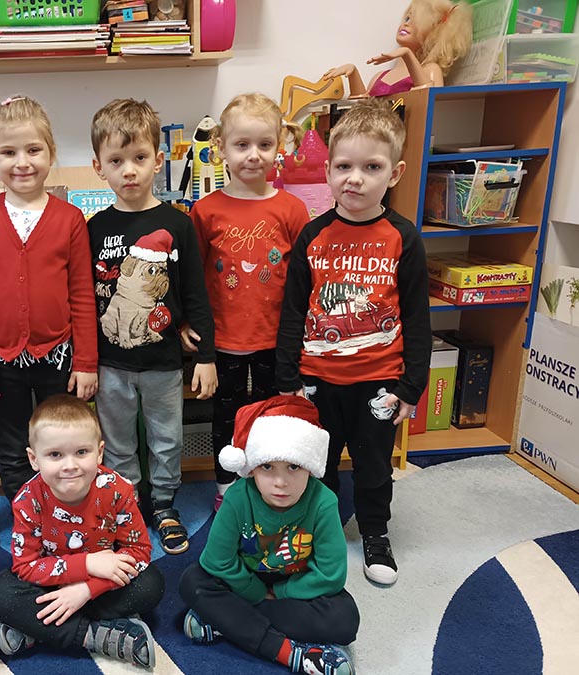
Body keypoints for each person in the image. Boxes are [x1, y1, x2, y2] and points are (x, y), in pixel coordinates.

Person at [275, 98, 431, 586]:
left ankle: (375, 531)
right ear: (328, 171)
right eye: (343, 166)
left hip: (378, 383)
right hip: (317, 381)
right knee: (316, 464)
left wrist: (412, 386)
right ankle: (316, 530)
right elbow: (293, 310)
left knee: (373, 465)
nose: (355, 179)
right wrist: (287, 378)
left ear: (395, 173)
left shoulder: (404, 238)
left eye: (372, 167)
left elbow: (417, 317)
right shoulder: (313, 236)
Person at [88, 98, 217, 555]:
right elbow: (83, 298)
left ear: (158, 161)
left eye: (139, 158)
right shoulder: (94, 228)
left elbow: (194, 292)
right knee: (117, 442)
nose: (129, 170)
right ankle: (126, 507)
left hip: (163, 362)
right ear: (99, 167)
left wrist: (205, 355)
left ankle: (163, 505)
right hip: (110, 363)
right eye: (116, 161)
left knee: (167, 439)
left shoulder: (178, 225)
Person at [0, 95, 98, 501]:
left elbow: (82, 294)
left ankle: (66, 509)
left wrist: (86, 363)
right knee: (12, 441)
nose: (22, 162)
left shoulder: (70, 219)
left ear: (51, 153)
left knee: (64, 438)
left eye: (33, 150)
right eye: (9, 152)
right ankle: (26, 517)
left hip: (59, 355)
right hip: (2, 358)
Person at [189, 92, 310, 512]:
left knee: (271, 418)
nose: (253, 155)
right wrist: (189, 324)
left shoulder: (292, 209)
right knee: (225, 417)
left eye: (264, 144)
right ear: (220, 148)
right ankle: (226, 488)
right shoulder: (205, 211)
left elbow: (304, 279)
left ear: (280, 147)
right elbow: (193, 278)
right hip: (222, 341)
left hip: (275, 341)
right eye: (242, 145)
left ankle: (268, 485)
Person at [179, 395, 359, 675]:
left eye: (293, 466)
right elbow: (218, 561)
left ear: (310, 467)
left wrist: (281, 591)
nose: (280, 482)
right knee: (192, 581)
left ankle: (225, 621)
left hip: (295, 585)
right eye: (267, 466)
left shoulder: (324, 502)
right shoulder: (237, 497)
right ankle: (286, 651)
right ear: (251, 467)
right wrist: (255, 591)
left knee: (345, 619)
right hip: (244, 579)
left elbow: (330, 575)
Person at [0, 395, 164, 670]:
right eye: (55, 455)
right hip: (51, 581)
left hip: (103, 579)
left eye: (81, 452)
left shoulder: (118, 489)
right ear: (34, 459)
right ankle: (95, 635)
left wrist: (87, 589)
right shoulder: (27, 500)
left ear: (99, 452)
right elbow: (25, 566)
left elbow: (139, 552)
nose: (70, 465)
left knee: (151, 584)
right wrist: (87, 564)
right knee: (0, 593)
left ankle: (38, 628)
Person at [323, 0, 473, 97]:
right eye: (407, 18)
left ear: (434, 33)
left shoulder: (430, 70)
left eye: (417, 21)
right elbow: (362, 109)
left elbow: (429, 106)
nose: (406, 24)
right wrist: (353, 73)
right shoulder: (379, 76)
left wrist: (407, 54)